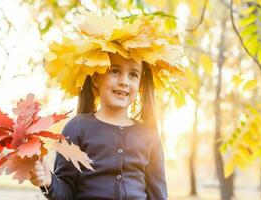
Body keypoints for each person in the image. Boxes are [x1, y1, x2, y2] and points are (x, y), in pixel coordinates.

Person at [29, 9, 184, 200]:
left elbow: (158, 194)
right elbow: (65, 191)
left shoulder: (149, 135)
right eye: (115, 71)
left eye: (133, 74)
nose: (124, 81)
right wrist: (48, 181)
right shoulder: (77, 128)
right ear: (96, 78)